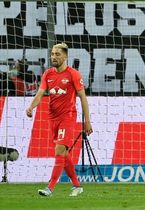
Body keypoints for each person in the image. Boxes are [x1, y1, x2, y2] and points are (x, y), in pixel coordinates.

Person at [26, 43, 93, 197]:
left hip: (68, 117)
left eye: (57, 54)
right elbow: (40, 93)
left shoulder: (73, 74)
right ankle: (77, 185)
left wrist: (87, 120)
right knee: (64, 153)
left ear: (65, 56)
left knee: (59, 150)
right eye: (53, 54)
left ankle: (50, 187)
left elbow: (83, 98)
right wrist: (31, 107)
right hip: (52, 118)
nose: (54, 57)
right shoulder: (48, 74)